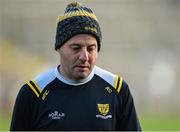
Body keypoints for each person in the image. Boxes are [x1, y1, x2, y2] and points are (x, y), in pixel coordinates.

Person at [10, 2, 141, 131]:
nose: (84, 56)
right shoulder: (32, 93)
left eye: (91, 48)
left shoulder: (117, 90)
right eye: (76, 48)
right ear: (59, 48)